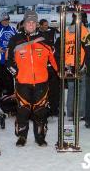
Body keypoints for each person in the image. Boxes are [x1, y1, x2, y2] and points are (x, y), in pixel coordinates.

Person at [6, 11, 58, 147]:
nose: (30, 24)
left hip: (41, 82)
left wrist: (60, 72)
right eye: (28, 22)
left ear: (36, 24)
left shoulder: (45, 39)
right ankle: (22, 137)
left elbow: (54, 59)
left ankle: (40, 137)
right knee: (23, 111)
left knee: (40, 111)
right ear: (24, 24)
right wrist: (16, 74)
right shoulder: (15, 40)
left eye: (33, 22)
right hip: (22, 82)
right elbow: (8, 61)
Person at [64, 13, 89, 120]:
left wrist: (65, 64)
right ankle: (80, 113)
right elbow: (87, 48)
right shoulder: (83, 30)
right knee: (81, 89)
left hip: (68, 64)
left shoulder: (67, 30)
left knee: (71, 89)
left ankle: (70, 113)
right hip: (80, 64)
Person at [38, 19, 60, 116]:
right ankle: (42, 109)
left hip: (52, 67)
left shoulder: (53, 32)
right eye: (45, 25)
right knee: (42, 90)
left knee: (55, 90)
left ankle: (54, 109)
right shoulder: (36, 34)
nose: (46, 26)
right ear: (40, 25)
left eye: (47, 25)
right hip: (41, 67)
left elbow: (57, 47)